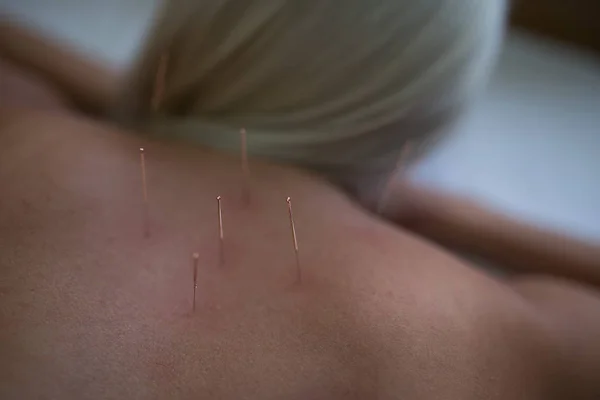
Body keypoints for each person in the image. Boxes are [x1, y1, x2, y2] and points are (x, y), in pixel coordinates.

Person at [1, 7, 600, 400]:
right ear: (423, 111)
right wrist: (468, 219)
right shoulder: (500, 335)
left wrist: (162, 112)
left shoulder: (22, 136)